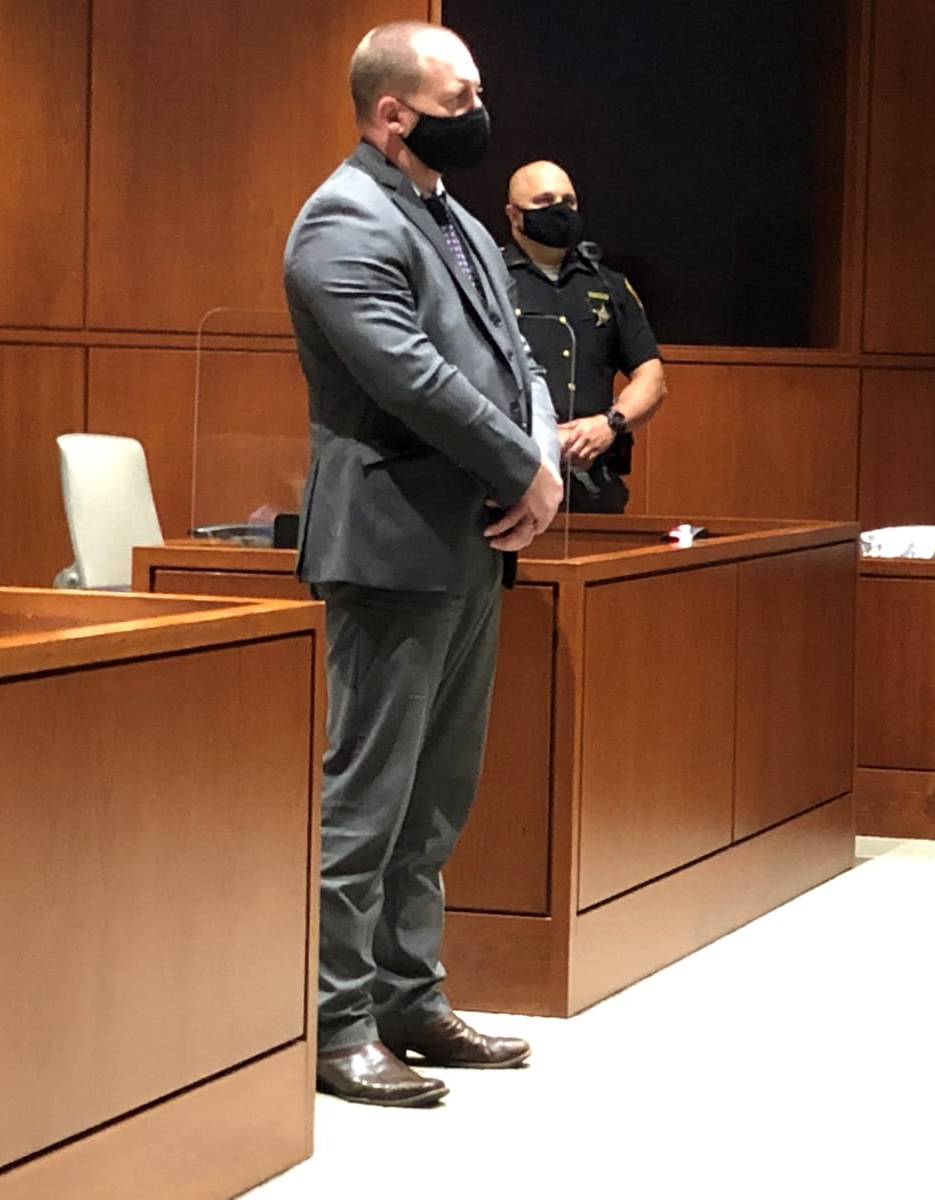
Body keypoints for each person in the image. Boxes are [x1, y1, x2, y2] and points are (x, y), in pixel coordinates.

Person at [283, 20, 563, 1108]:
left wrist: (537, 461)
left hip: (473, 541)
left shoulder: (453, 221)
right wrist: (521, 469)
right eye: (460, 97)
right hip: (392, 543)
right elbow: (410, 377)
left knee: (436, 797)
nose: (478, 112)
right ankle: (332, 1022)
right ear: (391, 112)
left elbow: (516, 358)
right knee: (369, 796)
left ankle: (409, 999)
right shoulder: (341, 221)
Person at [502, 160, 666, 513]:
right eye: (545, 201)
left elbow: (652, 378)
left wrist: (610, 424)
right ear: (515, 216)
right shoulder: (487, 283)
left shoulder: (610, 285)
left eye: (569, 201)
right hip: (510, 481)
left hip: (593, 485)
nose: (561, 210)